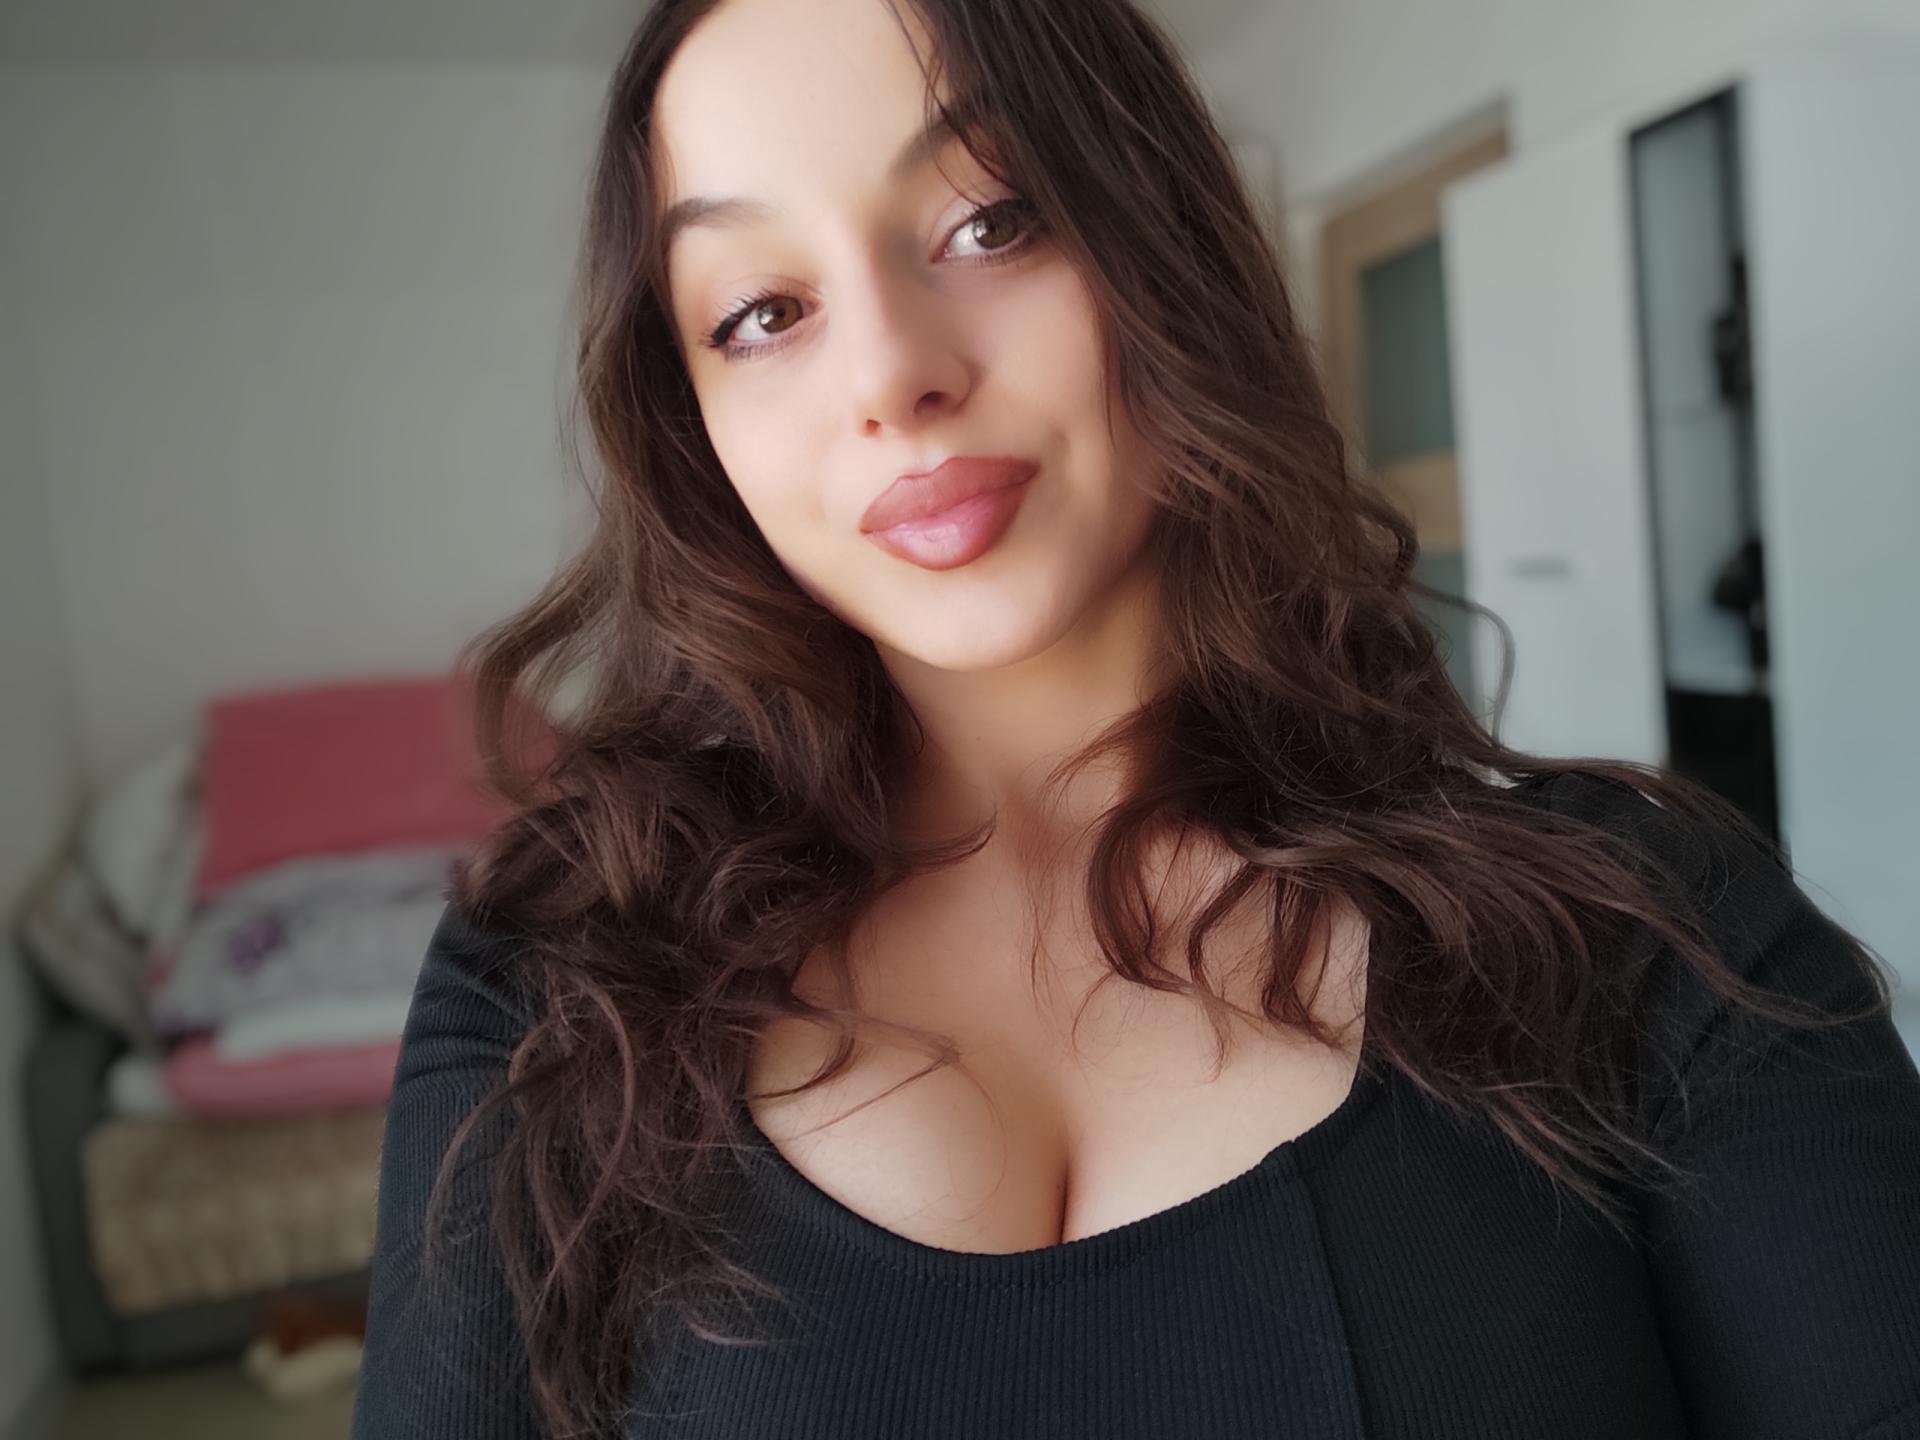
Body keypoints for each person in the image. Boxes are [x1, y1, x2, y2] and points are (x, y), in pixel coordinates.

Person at [350, 0, 1920, 1436]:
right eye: (762, 310)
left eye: (991, 219)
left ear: (1159, 241)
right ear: (695, 426)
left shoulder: (1648, 939)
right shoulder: (555, 990)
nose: (892, 374)